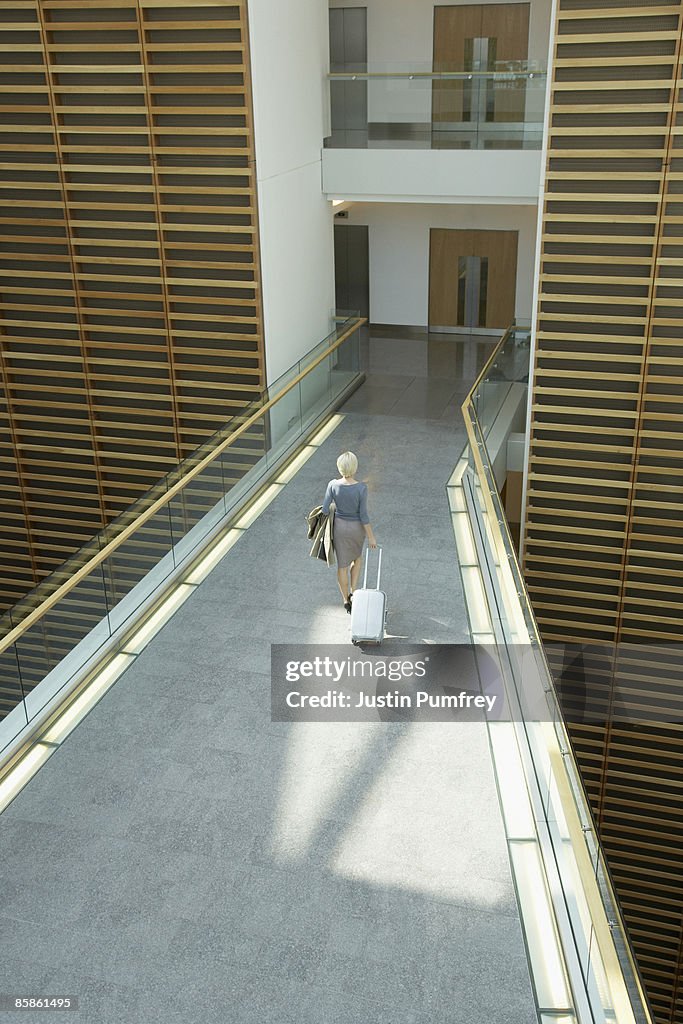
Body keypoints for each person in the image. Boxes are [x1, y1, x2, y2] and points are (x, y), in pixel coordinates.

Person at [322, 451, 377, 613]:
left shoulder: (332, 485)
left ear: (339, 467)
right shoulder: (361, 488)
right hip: (356, 529)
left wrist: (336, 508)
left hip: (339, 528)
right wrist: (371, 537)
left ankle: (345, 600)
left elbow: (325, 510)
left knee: (342, 565)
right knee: (357, 559)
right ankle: (354, 592)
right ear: (355, 467)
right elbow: (363, 515)